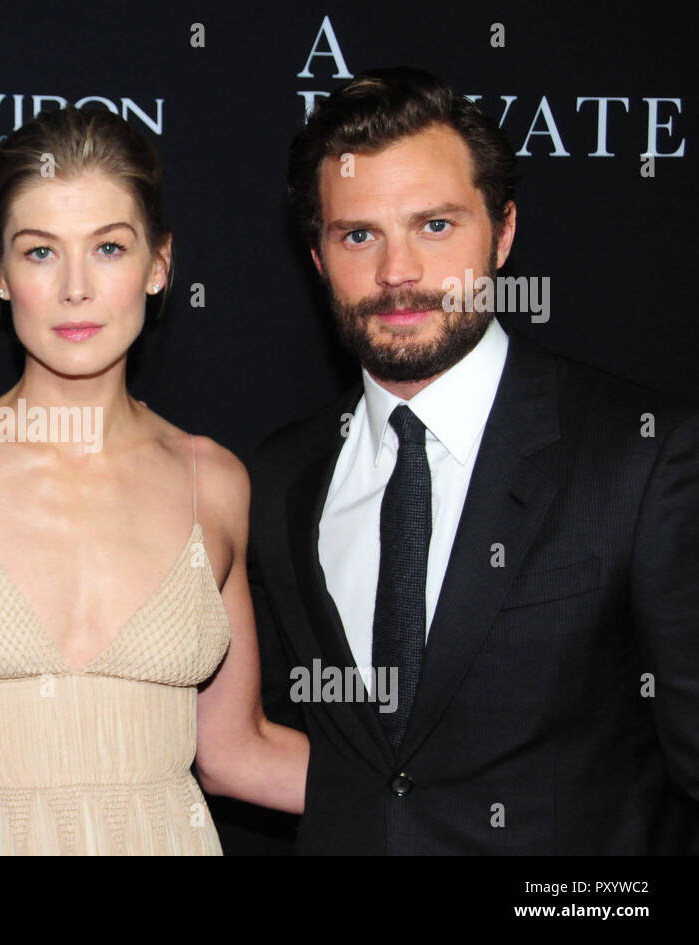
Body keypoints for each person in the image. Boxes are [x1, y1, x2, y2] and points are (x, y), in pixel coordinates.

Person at [249, 67, 699, 854]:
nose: (399, 273)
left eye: (435, 225)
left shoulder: (641, 451)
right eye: (359, 234)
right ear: (319, 258)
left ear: (504, 232)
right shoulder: (284, 476)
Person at [0, 106, 308, 855]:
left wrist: (467, 797)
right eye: (40, 252)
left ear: (159, 265)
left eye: (108, 247)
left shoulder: (215, 481)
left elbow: (237, 753)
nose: (75, 288)